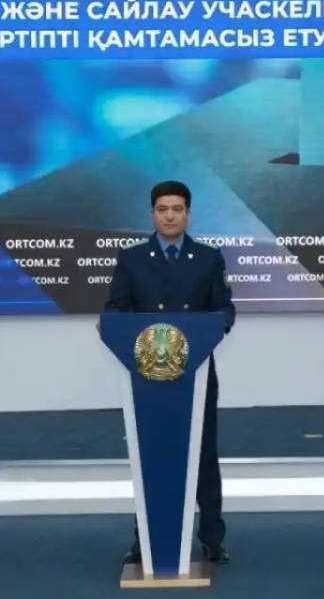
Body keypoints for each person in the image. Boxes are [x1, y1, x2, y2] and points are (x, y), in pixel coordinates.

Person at [104, 180, 236, 565]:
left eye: (177, 209)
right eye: (162, 209)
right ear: (152, 214)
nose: (170, 216)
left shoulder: (209, 258)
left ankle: (212, 537)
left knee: (204, 454)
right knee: (151, 455)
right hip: (147, 379)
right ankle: (144, 539)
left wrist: (215, 326)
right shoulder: (131, 259)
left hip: (195, 374)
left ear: (188, 214)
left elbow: (225, 310)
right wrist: (110, 324)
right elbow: (116, 309)